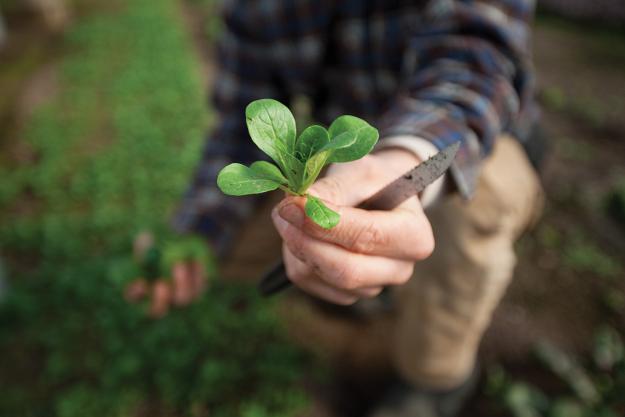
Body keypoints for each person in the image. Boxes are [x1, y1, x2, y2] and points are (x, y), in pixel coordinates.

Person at [138, 1, 546, 416]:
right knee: (227, 244)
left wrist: (402, 159)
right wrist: (194, 233)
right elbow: (235, 130)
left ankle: (435, 379)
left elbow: (473, 66)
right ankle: (346, 282)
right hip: (336, 170)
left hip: (468, 140)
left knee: (475, 198)